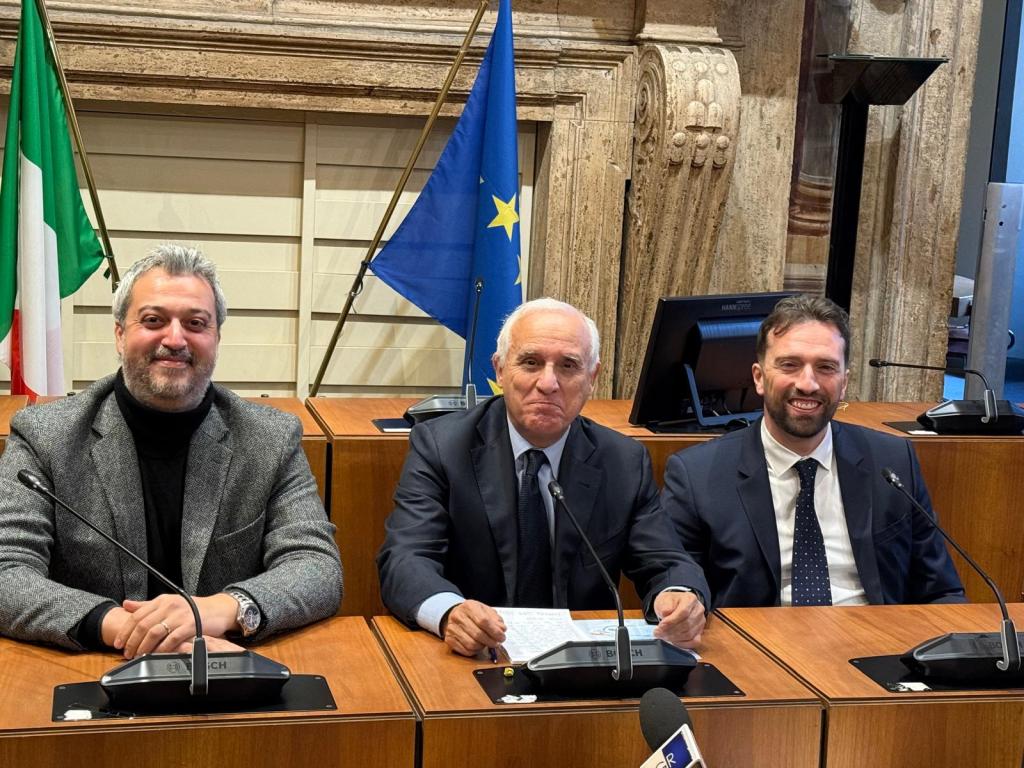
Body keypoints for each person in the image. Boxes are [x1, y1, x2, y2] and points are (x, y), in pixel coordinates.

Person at [0, 244, 342, 657]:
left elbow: (317, 567)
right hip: (94, 666)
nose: (175, 339)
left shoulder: (269, 437)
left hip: (226, 666)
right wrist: (131, 628)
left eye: (196, 323)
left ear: (216, 338)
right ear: (119, 334)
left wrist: (220, 609)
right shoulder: (46, 436)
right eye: (153, 320)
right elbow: (7, 572)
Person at [377, 298, 709, 657]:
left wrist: (679, 596)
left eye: (568, 366)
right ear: (500, 370)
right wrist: (449, 612)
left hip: (583, 665)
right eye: (531, 362)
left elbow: (667, 561)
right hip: (475, 656)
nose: (548, 383)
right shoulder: (443, 446)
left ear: (591, 379)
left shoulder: (622, 461)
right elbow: (405, 558)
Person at [660, 294, 965, 609]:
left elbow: (942, 592)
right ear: (759, 377)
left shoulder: (892, 462)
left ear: (844, 383)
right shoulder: (697, 475)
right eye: (790, 365)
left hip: (875, 645)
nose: (808, 384)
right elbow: (677, 583)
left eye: (825, 367)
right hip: (759, 649)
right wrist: (682, 604)